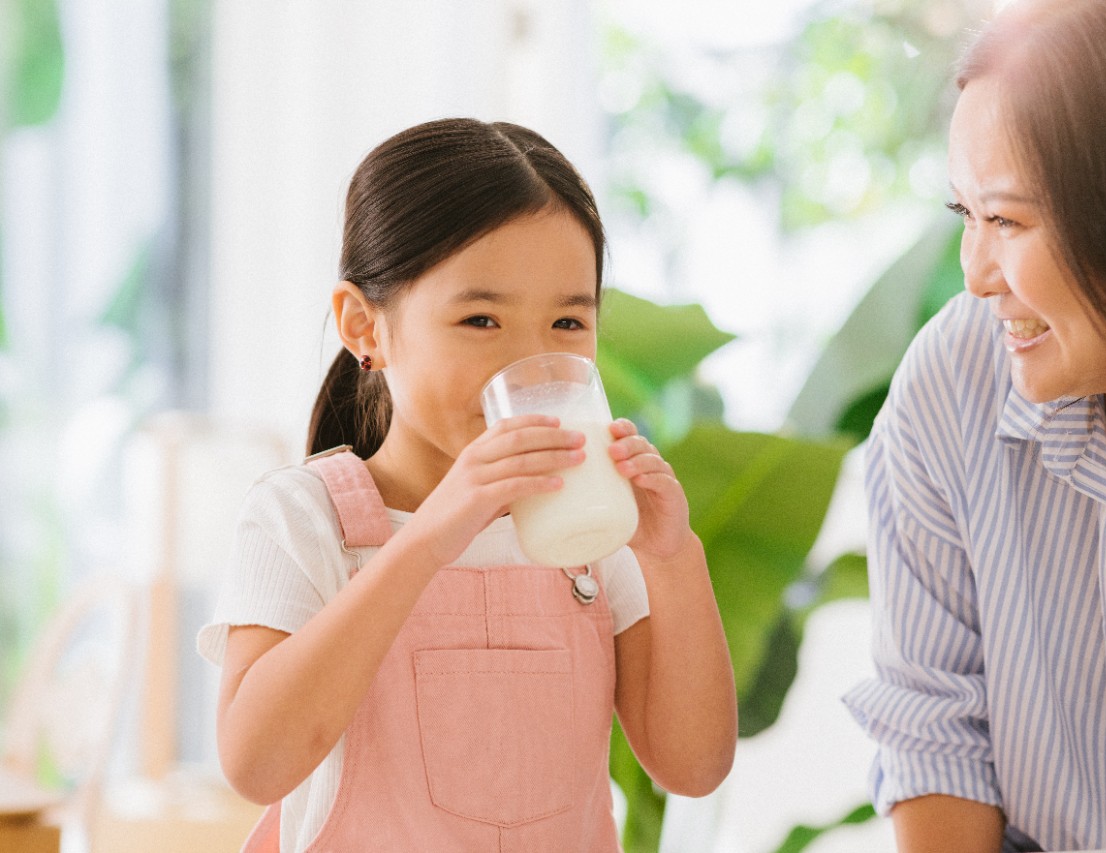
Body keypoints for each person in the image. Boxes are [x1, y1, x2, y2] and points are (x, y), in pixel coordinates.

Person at [197, 118, 737, 853]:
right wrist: (428, 536)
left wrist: (674, 560)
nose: (531, 359)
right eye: (481, 318)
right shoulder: (303, 517)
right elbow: (256, 763)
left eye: (568, 321)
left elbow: (695, 764)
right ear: (366, 327)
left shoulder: (591, 525)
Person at [844, 0, 1106, 850]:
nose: (975, 276)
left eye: (1007, 220)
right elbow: (936, 735)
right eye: (963, 215)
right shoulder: (956, 381)